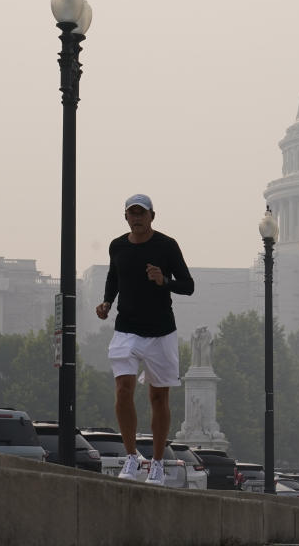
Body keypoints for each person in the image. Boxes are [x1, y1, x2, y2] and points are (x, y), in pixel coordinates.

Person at [96, 193, 194, 486]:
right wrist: (106, 302)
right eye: (132, 214)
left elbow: (188, 286)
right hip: (126, 330)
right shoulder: (118, 246)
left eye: (142, 214)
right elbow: (114, 277)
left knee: (158, 396)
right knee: (123, 389)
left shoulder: (167, 246)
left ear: (153, 216)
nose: (137, 218)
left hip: (161, 331)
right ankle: (130, 457)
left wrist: (164, 281)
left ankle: (158, 462)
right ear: (126, 217)